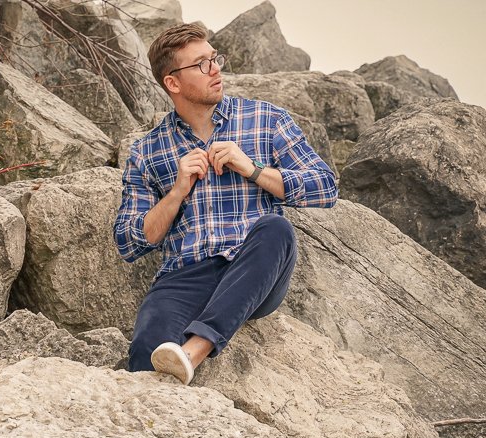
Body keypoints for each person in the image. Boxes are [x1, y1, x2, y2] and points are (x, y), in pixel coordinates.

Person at [113, 23, 337, 385]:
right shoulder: (147, 151)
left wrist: (253, 169)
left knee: (275, 228)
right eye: (201, 64)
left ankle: (195, 350)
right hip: (186, 275)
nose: (216, 68)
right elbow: (128, 242)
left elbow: (325, 187)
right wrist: (176, 192)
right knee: (145, 352)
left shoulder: (266, 120)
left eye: (215, 58)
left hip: (254, 267)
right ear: (173, 83)